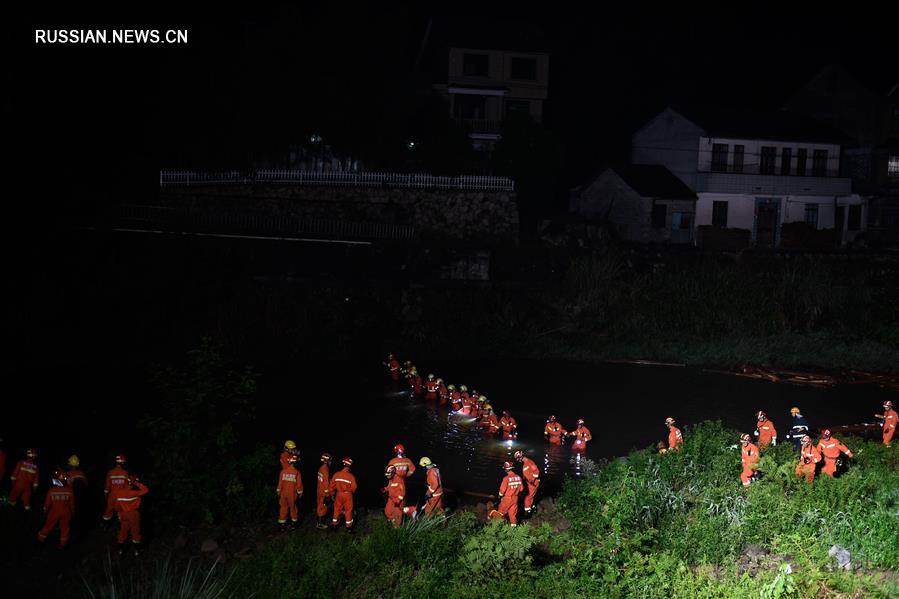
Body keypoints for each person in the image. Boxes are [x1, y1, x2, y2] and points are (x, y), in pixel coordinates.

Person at [37, 470, 75, 549]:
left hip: (54, 512)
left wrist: (44, 512)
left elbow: (47, 504)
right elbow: (72, 504)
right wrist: (73, 513)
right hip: (66, 513)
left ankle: (39, 541)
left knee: (48, 526)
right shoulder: (70, 491)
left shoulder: (51, 491)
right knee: (65, 528)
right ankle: (62, 545)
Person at [115, 477, 149, 556]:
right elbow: (146, 490)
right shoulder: (134, 492)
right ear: (131, 484)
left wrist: (119, 515)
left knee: (123, 531)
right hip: (133, 514)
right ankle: (137, 551)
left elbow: (117, 506)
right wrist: (136, 483)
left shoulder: (118, 493)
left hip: (123, 514)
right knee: (135, 531)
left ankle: (120, 550)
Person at [329, 457, 357, 532]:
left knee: (337, 509)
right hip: (348, 495)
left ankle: (335, 525)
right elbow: (354, 488)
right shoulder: (351, 476)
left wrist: (332, 494)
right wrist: (349, 490)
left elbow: (331, 486)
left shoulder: (336, 474)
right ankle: (349, 528)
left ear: (343, 464)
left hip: (338, 494)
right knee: (348, 511)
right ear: (350, 466)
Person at [490, 461, 523, 526]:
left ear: (506, 469)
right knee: (512, 515)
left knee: (500, 512)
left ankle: (495, 527)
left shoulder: (506, 478)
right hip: (515, 499)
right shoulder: (518, 477)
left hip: (507, 498)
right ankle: (513, 529)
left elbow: (502, 490)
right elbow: (521, 489)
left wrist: (499, 496)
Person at [277, 454, 303, 530]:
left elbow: (280, 484)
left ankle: (282, 526)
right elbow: (299, 485)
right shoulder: (297, 472)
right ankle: (293, 525)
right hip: (292, 495)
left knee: (283, 508)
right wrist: (300, 492)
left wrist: (278, 492)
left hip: (283, 494)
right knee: (293, 508)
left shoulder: (283, 471)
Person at [103, 454, 130, 523]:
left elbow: (107, 488)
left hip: (112, 496)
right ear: (123, 463)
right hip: (121, 497)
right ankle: (120, 528)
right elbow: (127, 487)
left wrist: (106, 496)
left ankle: (105, 527)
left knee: (108, 513)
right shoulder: (125, 473)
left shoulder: (110, 472)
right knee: (121, 513)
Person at [514, 450, 540, 516]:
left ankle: (527, 512)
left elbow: (536, 472)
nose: (518, 460)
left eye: (517, 458)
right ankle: (532, 507)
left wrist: (532, 480)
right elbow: (527, 473)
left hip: (532, 484)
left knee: (528, 497)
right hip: (529, 483)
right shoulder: (526, 463)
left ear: (520, 457)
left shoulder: (529, 462)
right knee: (531, 496)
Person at [316, 453, 332, 529]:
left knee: (319, 506)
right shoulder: (325, 469)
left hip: (319, 490)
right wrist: (327, 494)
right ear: (327, 461)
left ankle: (318, 522)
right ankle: (320, 524)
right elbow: (326, 482)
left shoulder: (321, 468)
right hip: (323, 492)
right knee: (323, 507)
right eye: (330, 460)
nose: (331, 462)